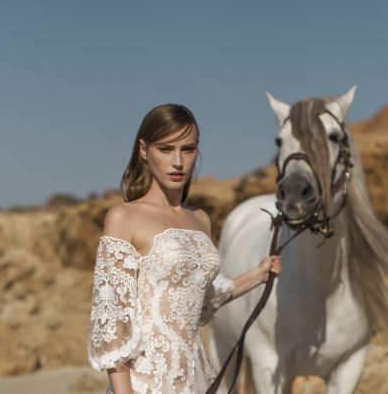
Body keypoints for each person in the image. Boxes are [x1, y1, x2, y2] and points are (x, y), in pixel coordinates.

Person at [87, 104, 281, 394]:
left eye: (187, 149)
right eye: (166, 149)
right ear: (144, 150)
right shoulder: (123, 217)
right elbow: (112, 319)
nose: (177, 161)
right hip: (145, 384)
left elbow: (204, 297)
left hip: (196, 379)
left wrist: (260, 274)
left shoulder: (200, 219)